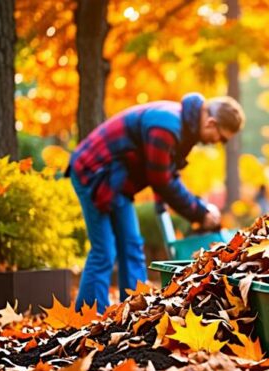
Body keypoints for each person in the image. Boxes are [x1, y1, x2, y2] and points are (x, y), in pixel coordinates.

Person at [67, 93, 245, 312]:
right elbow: (161, 179)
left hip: (116, 180)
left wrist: (193, 208)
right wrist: (200, 212)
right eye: (222, 138)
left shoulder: (182, 128)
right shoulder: (167, 126)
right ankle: (86, 318)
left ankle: (133, 312)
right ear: (211, 123)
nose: (218, 143)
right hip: (93, 172)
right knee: (104, 251)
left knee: (132, 245)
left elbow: (164, 171)